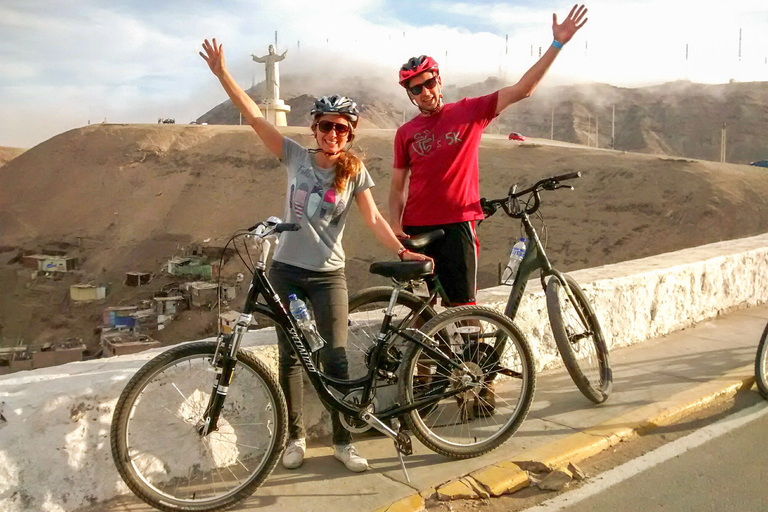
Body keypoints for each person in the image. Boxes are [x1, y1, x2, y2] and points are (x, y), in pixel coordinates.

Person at [199, 38, 432, 473]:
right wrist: (222, 74)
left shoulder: (354, 171)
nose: (333, 134)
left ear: (351, 132)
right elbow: (253, 115)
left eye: (342, 128)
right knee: (291, 356)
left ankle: (344, 440)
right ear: (314, 129)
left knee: (336, 357)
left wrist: (401, 247)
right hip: (287, 272)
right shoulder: (293, 157)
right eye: (326, 126)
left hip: (329, 276)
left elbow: (375, 219)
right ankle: (296, 437)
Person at [389, 4, 588, 306]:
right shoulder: (405, 132)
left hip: (457, 224)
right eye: (416, 89)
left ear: (439, 81)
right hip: (416, 227)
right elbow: (397, 187)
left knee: (464, 306)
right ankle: (419, 355)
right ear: (410, 95)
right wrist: (395, 226)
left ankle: (469, 354)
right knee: (423, 308)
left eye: (429, 83)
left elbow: (523, 89)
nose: (425, 92)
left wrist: (557, 44)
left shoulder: (470, 111)